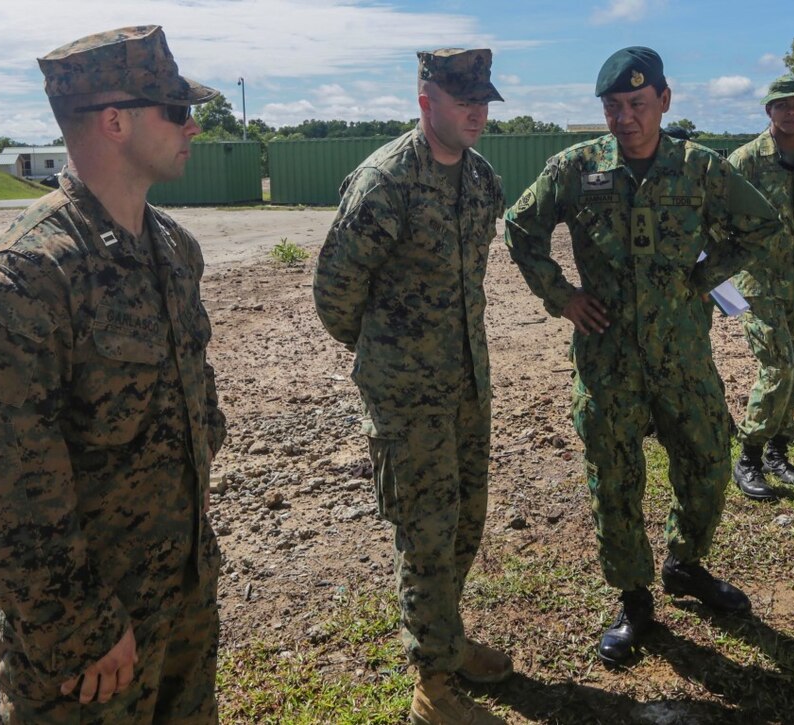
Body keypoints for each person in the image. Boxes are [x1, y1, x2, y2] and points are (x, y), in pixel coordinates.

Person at [0, 26, 226, 723]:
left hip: (182, 605)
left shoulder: (173, 249)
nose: (191, 124)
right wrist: (81, 626)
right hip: (91, 649)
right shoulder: (28, 275)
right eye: (174, 108)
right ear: (115, 120)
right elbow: (1, 483)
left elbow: (198, 408)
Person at [505, 46, 781, 666]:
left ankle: (685, 564)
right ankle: (634, 599)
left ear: (663, 99)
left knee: (709, 461)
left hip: (683, 355)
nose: (624, 118)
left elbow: (762, 227)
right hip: (608, 361)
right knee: (615, 478)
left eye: (636, 103)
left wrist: (706, 274)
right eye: (612, 106)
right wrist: (563, 296)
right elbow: (521, 228)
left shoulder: (700, 168)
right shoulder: (575, 167)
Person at [313, 48, 510, 724]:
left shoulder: (482, 180)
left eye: (483, 99)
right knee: (425, 536)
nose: (477, 111)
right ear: (427, 100)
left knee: (465, 523)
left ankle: (445, 640)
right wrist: (392, 359)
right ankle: (433, 685)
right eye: (464, 100)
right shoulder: (386, 181)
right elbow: (335, 295)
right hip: (406, 399)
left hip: (467, 387)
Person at [727, 75, 794, 501]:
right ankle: (749, 456)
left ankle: (778, 451)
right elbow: (718, 217)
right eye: (782, 105)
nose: (791, 111)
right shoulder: (744, 161)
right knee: (779, 365)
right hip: (758, 283)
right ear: (768, 111)